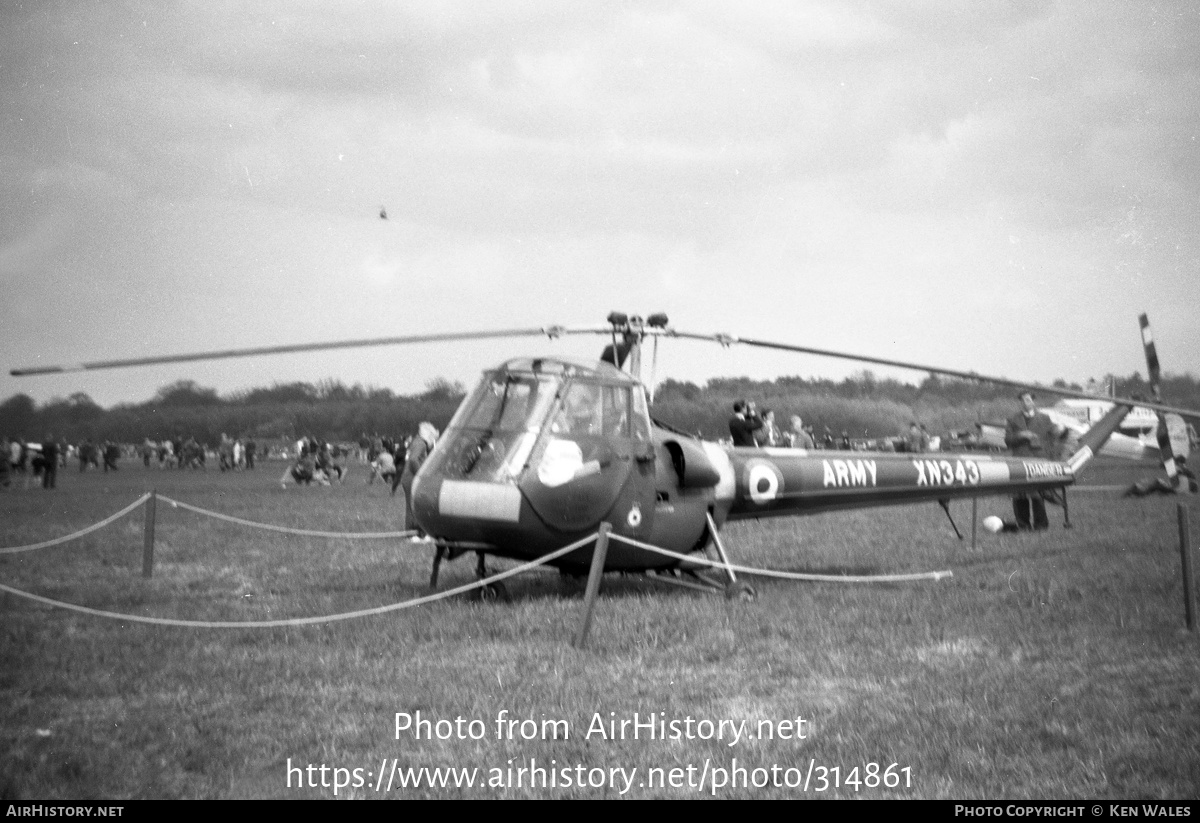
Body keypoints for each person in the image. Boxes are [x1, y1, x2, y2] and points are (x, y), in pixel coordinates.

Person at [1005, 391, 1066, 530]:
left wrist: (1060, 431)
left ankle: (1041, 525)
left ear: (1033, 402)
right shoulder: (1012, 419)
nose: (1025, 402)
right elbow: (1008, 440)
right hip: (1019, 461)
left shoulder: (1045, 418)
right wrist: (1021, 435)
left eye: (1028, 399)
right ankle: (1023, 524)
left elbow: (1055, 436)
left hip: (1038, 461)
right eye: (1022, 400)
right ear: (1020, 402)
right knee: (1020, 495)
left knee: (1038, 495)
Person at [399, 422, 438, 537]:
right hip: (412, 478)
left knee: (413, 507)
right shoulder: (421, 444)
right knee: (413, 508)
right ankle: (412, 535)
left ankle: (415, 533)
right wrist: (421, 475)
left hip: (409, 477)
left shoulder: (416, 441)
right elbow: (413, 460)